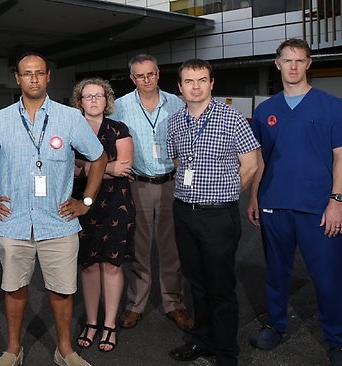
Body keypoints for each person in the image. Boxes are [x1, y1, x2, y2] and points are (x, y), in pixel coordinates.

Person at [0, 52, 107, 366]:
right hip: (13, 222)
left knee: (63, 290)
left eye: (39, 73)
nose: (33, 79)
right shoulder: (0, 120)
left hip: (59, 222)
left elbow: (99, 158)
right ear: (17, 78)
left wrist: (85, 202)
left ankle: (65, 350)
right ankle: (13, 349)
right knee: (14, 289)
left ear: (48, 77)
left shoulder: (70, 118)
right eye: (26, 73)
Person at [247, 38, 342, 366]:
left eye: (299, 60)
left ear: (308, 63)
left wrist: (337, 201)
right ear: (277, 64)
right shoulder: (265, 111)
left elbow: (341, 158)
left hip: (318, 207)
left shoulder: (331, 106)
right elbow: (260, 161)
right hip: (275, 204)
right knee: (276, 272)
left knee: (327, 276)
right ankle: (276, 324)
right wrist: (255, 197)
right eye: (287, 60)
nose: (293, 66)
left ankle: (337, 339)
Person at [166, 58, 259, 366]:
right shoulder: (175, 120)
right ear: (180, 87)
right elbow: (178, 161)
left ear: (211, 83)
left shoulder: (231, 117)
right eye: (189, 81)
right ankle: (201, 340)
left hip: (219, 215)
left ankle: (226, 351)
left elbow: (250, 165)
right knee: (196, 281)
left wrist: (225, 194)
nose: (195, 86)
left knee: (220, 286)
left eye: (201, 80)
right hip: (184, 212)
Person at [110, 54, 193, 332]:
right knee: (140, 249)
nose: (146, 80)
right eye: (140, 76)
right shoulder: (119, 107)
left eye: (151, 74)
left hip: (172, 182)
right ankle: (135, 304)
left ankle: (174, 303)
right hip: (139, 183)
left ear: (158, 73)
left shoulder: (177, 102)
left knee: (172, 249)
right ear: (132, 78)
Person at [70, 78, 135, 353]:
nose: (93, 100)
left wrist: (90, 167)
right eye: (88, 96)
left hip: (115, 202)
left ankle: (109, 324)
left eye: (98, 95)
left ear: (106, 100)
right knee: (88, 264)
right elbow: (70, 169)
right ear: (80, 101)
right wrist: (106, 167)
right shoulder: (71, 129)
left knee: (111, 264)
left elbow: (125, 166)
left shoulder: (119, 129)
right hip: (82, 203)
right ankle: (92, 321)